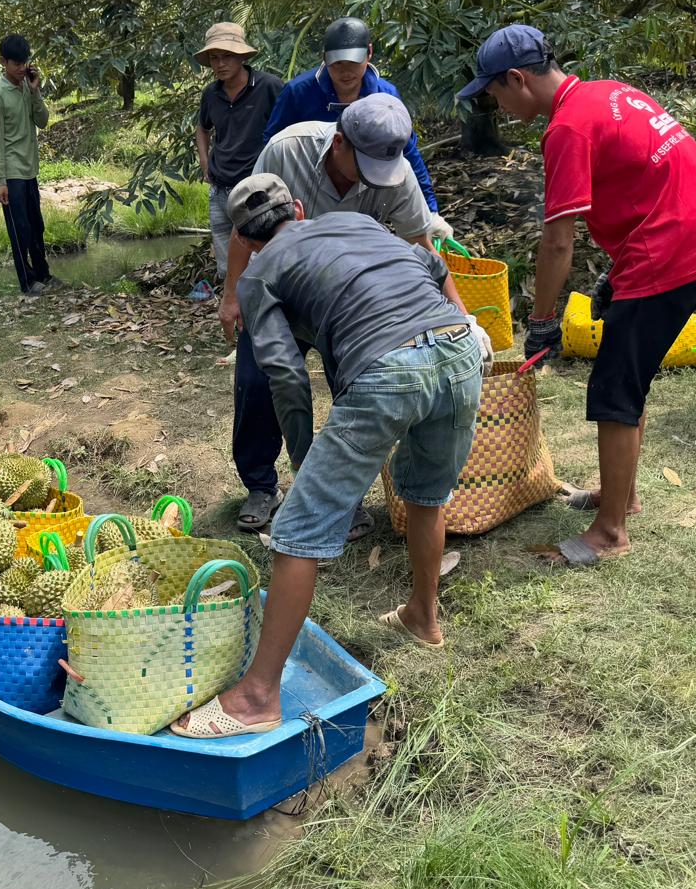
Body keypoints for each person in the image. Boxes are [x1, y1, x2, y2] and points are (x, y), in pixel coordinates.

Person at [171, 173, 490, 738]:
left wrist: (303, 458)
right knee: (426, 493)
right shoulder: (357, 220)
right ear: (297, 207)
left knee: (298, 530)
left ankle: (256, 699)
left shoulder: (258, 274)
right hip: (460, 349)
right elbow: (433, 263)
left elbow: (287, 378)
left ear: (244, 238)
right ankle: (423, 617)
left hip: (388, 366)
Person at [461, 25, 696, 567]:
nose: (494, 103)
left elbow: (557, 241)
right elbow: (647, 178)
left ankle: (610, 532)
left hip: (669, 251)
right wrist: (616, 273)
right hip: (688, 233)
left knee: (614, 389)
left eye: (494, 92)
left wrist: (541, 320)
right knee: (627, 377)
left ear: (517, 78)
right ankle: (623, 497)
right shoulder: (609, 93)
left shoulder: (567, 128)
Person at [220, 94, 434, 534]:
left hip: (346, 305)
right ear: (340, 143)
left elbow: (421, 249)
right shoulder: (285, 149)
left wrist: (452, 316)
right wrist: (233, 294)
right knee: (259, 381)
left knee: (353, 391)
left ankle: (338, 491)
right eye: (367, 162)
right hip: (276, 290)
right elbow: (250, 220)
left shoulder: (396, 173)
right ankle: (262, 485)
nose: (378, 174)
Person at [261, 15, 443, 222]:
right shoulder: (298, 92)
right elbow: (272, 145)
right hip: (309, 195)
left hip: (365, 191)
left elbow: (407, 150)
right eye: (337, 64)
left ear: (369, 53)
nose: (346, 72)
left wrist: (430, 210)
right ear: (325, 58)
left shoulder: (385, 96)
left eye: (353, 62)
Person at [194, 22, 283, 282]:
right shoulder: (211, 94)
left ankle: (258, 314)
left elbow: (290, 126)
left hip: (255, 188)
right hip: (219, 186)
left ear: (242, 56)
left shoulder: (269, 87)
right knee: (227, 266)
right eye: (214, 58)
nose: (220, 64)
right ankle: (234, 310)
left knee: (257, 260)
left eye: (227, 56)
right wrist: (204, 159)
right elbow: (202, 128)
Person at [0, 33, 53, 296]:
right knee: (20, 230)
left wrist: (36, 92)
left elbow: (44, 120)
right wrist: (0, 181)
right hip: (12, 173)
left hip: (30, 170)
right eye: (16, 64)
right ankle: (27, 283)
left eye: (25, 62)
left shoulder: (28, 86)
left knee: (37, 226)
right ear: (3, 62)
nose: (22, 68)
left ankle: (43, 275)